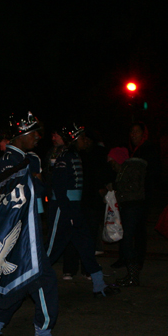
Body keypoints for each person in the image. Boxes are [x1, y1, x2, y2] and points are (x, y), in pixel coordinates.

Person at [0, 111, 69, 336]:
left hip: (24, 231)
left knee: (18, 284)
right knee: (44, 281)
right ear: (21, 134)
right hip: (21, 234)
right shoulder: (13, 162)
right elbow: (23, 196)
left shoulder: (22, 158)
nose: (38, 137)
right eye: (34, 132)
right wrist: (38, 182)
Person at [46, 123, 120, 295]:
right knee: (51, 250)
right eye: (81, 138)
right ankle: (27, 283)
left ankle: (99, 285)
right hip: (63, 210)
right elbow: (58, 187)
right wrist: (68, 212)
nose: (85, 141)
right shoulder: (65, 157)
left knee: (86, 246)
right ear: (73, 140)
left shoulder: (74, 156)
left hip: (73, 209)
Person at [108, 138, 148, 286]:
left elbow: (133, 187)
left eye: (112, 162)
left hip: (132, 207)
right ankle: (132, 275)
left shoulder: (131, 169)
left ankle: (133, 276)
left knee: (127, 242)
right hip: (131, 207)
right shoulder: (126, 170)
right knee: (127, 241)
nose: (111, 167)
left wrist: (116, 186)